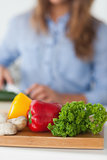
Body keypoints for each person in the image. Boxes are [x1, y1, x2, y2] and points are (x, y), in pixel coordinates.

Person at [0, 0, 107, 104]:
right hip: (25, 115)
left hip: (71, 118)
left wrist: (62, 98)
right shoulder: (19, 23)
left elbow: (104, 92)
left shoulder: (100, 31)